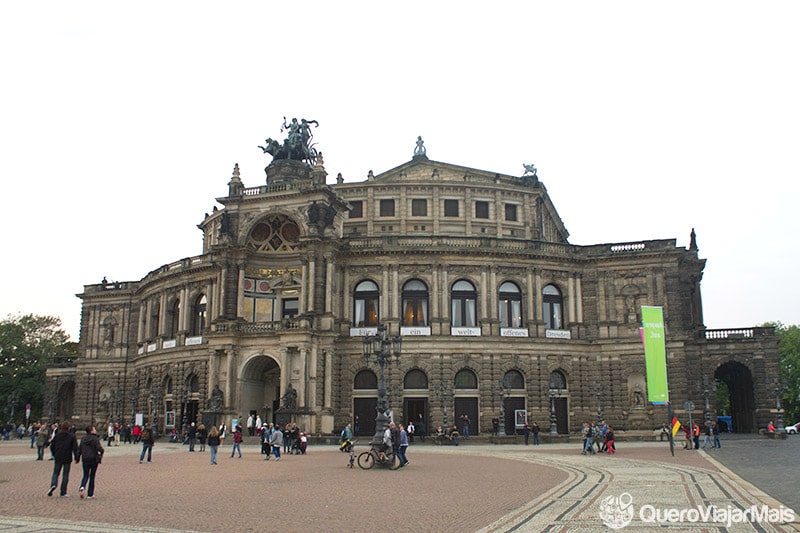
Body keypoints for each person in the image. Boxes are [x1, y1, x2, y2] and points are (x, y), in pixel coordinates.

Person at [48, 421, 78, 497]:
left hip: (58, 456)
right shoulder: (71, 436)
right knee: (65, 475)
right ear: (68, 428)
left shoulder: (57, 436)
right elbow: (75, 448)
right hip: (67, 457)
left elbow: (52, 446)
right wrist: (77, 457)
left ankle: (53, 484)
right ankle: (63, 491)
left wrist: (54, 453)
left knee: (55, 473)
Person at [77, 426, 104, 499]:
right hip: (93, 459)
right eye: (94, 429)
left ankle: (82, 486)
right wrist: (101, 452)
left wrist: (77, 458)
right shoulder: (95, 439)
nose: (95, 430)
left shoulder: (83, 439)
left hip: (85, 458)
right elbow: (99, 448)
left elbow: (79, 449)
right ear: (91, 431)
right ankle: (90, 494)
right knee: (92, 476)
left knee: (85, 475)